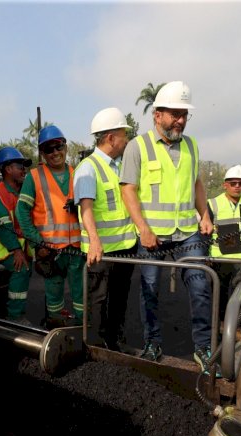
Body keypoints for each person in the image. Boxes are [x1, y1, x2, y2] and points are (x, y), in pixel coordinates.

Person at [119, 81, 214, 364]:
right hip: (153, 236)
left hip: (187, 233)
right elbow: (128, 190)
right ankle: (152, 343)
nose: (181, 120)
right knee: (149, 290)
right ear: (157, 115)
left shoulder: (192, 146)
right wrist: (143, 229)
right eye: (175, 114)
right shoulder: (138, 147)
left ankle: (203, 348)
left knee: (200, 286)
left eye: (184, 114)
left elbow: (196, 183)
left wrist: (205, 214)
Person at [73, 108, 137, 350]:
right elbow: (86, 209)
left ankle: (114, 340)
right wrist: (95, 242)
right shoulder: (89, 168)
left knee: (119, 299)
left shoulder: (119, 166)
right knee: (98, 300)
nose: (126, 140)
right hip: (101, 252)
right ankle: (96, 347)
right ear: (111, 138)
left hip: (125, 248)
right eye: (123, 134)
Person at [16, 125, 85, 327]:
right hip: (50, 251)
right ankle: (57, 330)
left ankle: (83, 333)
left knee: (80, 295)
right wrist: (38, 243)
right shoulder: (34, 177)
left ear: (65, 146)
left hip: (77, 250)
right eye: (49, 149)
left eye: (58, 146)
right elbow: (22, 211)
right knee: (54, 295)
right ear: (43, 153)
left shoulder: (77, 173)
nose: (55, 152)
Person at [0, 147, 34, 325]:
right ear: (7, 169)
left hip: (24, 247)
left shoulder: (22, 191)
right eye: (20, 165)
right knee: (20, 269)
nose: (24, 169)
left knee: (26, 272)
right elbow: (3, 227)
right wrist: (16, 251)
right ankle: (15, 316)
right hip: (7, 248)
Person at [208, 165, 241, 326]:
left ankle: (238, 326)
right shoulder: (212, 204)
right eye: (233, 183)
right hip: (219, 259)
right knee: (219, 296)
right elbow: (203, 232)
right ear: (225, 184)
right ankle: (219, 325)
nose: (237, 186)